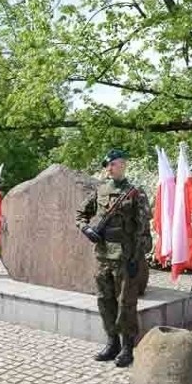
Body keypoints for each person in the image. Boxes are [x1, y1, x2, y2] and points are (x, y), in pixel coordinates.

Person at [75, 149, 152, 368]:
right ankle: (112, 343)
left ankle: (127, 347)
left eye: (113, 164)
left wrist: (137, 256)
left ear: (123, 165)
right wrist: (86, 229)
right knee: (104, 299)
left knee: (126, 302)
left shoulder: (136, 193)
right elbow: (80, 215)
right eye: (107, 165)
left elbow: (143, 228)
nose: (109, 168)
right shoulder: (100, 190)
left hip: (126, 255)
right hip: (103, 254)